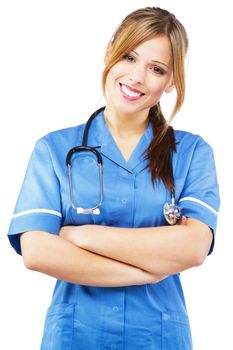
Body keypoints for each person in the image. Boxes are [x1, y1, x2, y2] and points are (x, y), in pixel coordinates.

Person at [8, 6, 220, 350]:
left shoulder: (193, 153)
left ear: (171, 82)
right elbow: (36, 250)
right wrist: (147, 271)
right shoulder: (54, 149)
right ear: (110, 52)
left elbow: (194, 247)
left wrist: (81, 235)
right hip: (76, 335)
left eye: (156, 69)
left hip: (158, 336)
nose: (137, 77)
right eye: (129, 57)